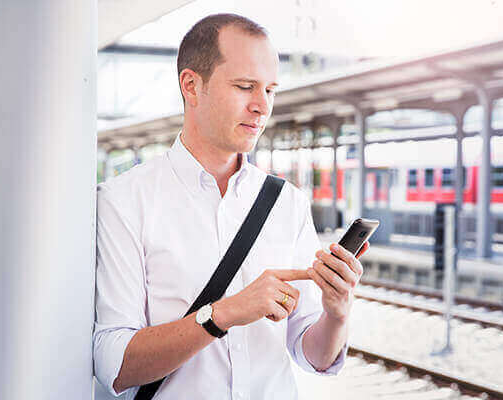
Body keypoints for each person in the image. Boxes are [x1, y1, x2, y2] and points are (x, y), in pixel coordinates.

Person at [93, 13, 369, 400]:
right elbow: (114, 365)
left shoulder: (287, 203)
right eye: (245, 86)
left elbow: (312, 355)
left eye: (271, 90)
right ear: (192, 86)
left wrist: (337, 313)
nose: (262, 106)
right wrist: (222, 313)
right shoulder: (123, 201)